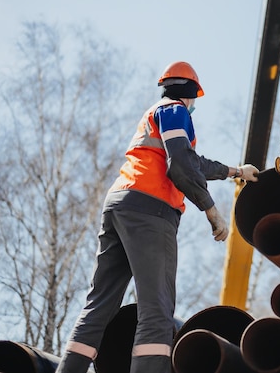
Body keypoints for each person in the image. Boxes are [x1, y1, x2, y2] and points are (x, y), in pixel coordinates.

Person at [55, 61, 259, 373]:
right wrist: (211, 209)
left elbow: (193, 162)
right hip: (150, 212)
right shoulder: (175, 110)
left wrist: (235, 172)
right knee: (157, 310)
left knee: (99, 306)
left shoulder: (156, 117)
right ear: (189, 95)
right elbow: (180, 165)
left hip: (120, 205)